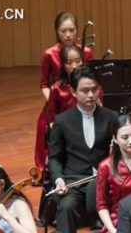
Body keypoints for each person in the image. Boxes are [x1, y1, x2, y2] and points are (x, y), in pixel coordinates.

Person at [48, 65, 119, 233]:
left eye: (94, 90)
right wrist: (58, 179)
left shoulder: (111, 117)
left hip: (103, 180)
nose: (91, 95)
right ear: (73, 92)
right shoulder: (62, 121)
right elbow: (55, 158)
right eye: (85, 91)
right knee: (66, 207)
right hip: (74, 180)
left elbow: (121, 154)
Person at [35, 12, 93, 171]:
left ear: (76, 30)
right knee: (44, 126)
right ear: (56, 31)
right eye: (63, 31)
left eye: (72, 30)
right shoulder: (49, 53)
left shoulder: (86, 52)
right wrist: (54, 99)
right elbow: (44, 83)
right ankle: (48, 166)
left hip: (82, 99)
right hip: (57, 99)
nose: (68, 35)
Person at [34, 44, 84, 179]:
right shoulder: (56, 88)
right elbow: (52, 120)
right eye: (69, 62)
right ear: (63, 65)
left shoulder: (91, 85)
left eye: (78, 61)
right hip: (67, 132)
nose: (74, 66)